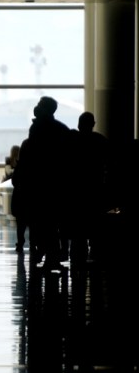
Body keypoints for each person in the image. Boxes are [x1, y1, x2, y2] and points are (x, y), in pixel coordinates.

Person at [14, 96, 72, 270]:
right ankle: (52, 258)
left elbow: (32, 157)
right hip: (55, 184)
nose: (36, 107)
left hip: (40, 185)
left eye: (40, 105)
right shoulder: (61, 129)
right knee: (52, 223)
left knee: (43, 224)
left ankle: (48, 257)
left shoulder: (39, 128)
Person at [69, 111, 109, 262]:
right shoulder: (100, 141)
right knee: (95, 224)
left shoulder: (72, 140)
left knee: (77, 227)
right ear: (93, 124)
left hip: (76, 189)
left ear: (79, 124)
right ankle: (95, 252)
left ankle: (77, 254)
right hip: (95, 188)